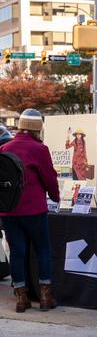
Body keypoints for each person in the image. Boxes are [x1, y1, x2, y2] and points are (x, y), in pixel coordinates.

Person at [0, 108, 60, 313]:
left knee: (17, 252)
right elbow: (50, 179)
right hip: (34, 210)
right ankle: (45, 296)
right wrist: (56, 197)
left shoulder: (5, 147)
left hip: (9, 211)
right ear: (38, 128)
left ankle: (21, 298)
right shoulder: (39, 150)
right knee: (43, 249)